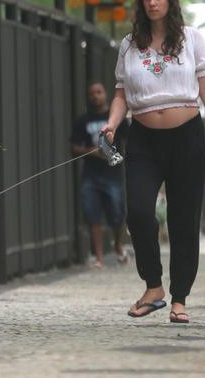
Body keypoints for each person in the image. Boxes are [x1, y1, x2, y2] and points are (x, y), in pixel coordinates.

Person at [100, 0, 205, 324]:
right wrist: (112, 123)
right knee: (139, 212)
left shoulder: (192, 40)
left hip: (187, 135)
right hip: (142, 137)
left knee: (183, 220)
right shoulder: (129, 44)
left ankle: (180, 299)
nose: (152, 3)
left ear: (170, 1)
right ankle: (153, 287)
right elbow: (121, 94)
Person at [70, 82, 128, 269]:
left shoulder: (116, 118)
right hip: (90, 175)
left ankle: (118, 244)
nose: (95, 96)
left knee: (117, 213)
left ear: (105, 94)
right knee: (92, 215)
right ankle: (99, 258)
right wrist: (91, 151)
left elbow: (129, 140)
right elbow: (73, 147)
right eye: (92, 93)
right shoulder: (82, 121)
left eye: (99, 92)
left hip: (113, 174)